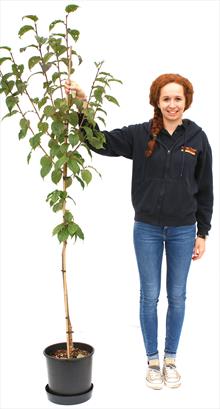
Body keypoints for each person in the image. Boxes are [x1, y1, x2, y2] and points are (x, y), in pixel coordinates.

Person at [65, 74, 213, 389]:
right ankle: (153, 361)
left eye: (178, 98)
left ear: (186, 101)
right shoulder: (141, 134)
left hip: (184, 230)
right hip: (146, 228)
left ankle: (170, 359)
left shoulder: (198, 138)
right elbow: (98, 141)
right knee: (149, 295)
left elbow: (206, 190)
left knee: (177, 295)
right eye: (166, 99)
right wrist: (82, 105)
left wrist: (203, 232)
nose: (172, 104)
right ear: (156, 102)